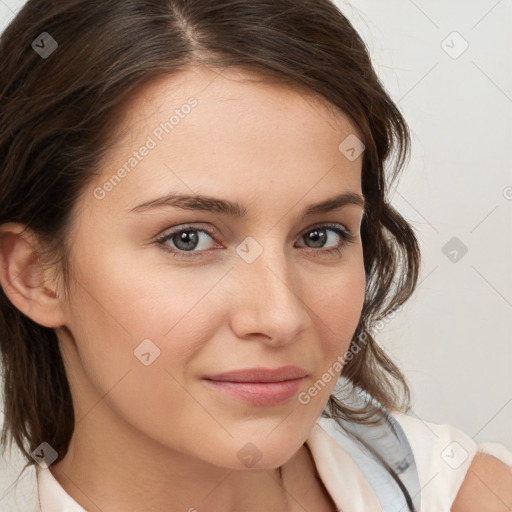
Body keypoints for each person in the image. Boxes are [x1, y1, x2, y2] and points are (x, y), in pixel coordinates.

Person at [0, 1, 511, 511]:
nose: (280, 316)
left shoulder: (470, 495)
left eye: (320, 236)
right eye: (189, 239)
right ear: (33, 275)